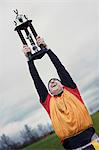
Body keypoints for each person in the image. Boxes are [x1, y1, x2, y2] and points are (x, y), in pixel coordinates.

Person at [23, 36, 98, 150]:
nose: (52, 81)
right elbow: (36, 80)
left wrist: (47, 49)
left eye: (55, 80)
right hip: (72, 146)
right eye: (50, 84)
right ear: (49, 91)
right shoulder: (48, 101)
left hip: (92, 140)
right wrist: (29, 59)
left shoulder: (71, 90)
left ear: (63, 84)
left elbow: (59, 67)